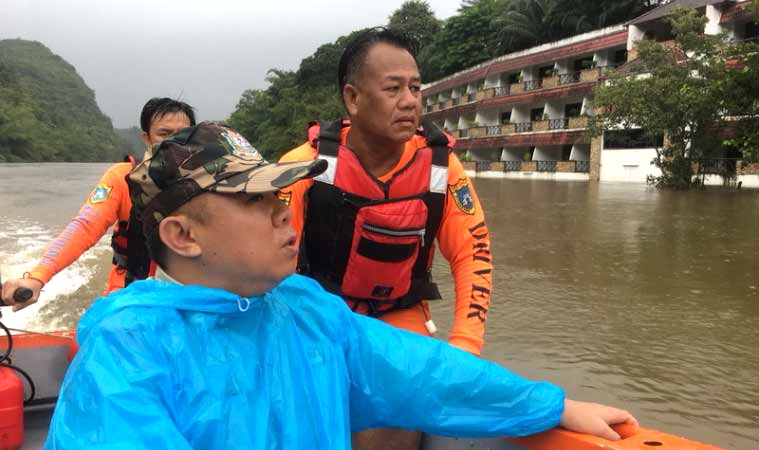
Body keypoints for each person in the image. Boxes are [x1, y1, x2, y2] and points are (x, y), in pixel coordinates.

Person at [45, 122, 636, 449]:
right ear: (182, 234)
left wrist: (551, 405)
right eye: (255, 200)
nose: (284, 214)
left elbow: (420, 371)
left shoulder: (303, 310)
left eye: (282, 196)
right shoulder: (126, 348)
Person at [278, 28, 491, 449]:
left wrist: (465, 345)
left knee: (401, 406)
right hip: (318, 317)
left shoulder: (442, 169)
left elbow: (474, 253)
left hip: (399, 314)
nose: (410, 101)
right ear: (353, 98)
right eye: (393, 89)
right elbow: (261, 262)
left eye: (415, 88)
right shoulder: (303, 167)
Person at [1, 98, 195, 310]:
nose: (173, 142)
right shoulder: (122, 178)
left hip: (189, 293)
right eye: (164, 134)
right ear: (147, 138)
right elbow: (85, 226)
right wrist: (37, 278)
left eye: (182, 134)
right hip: (129, 291)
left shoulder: (214, 182)